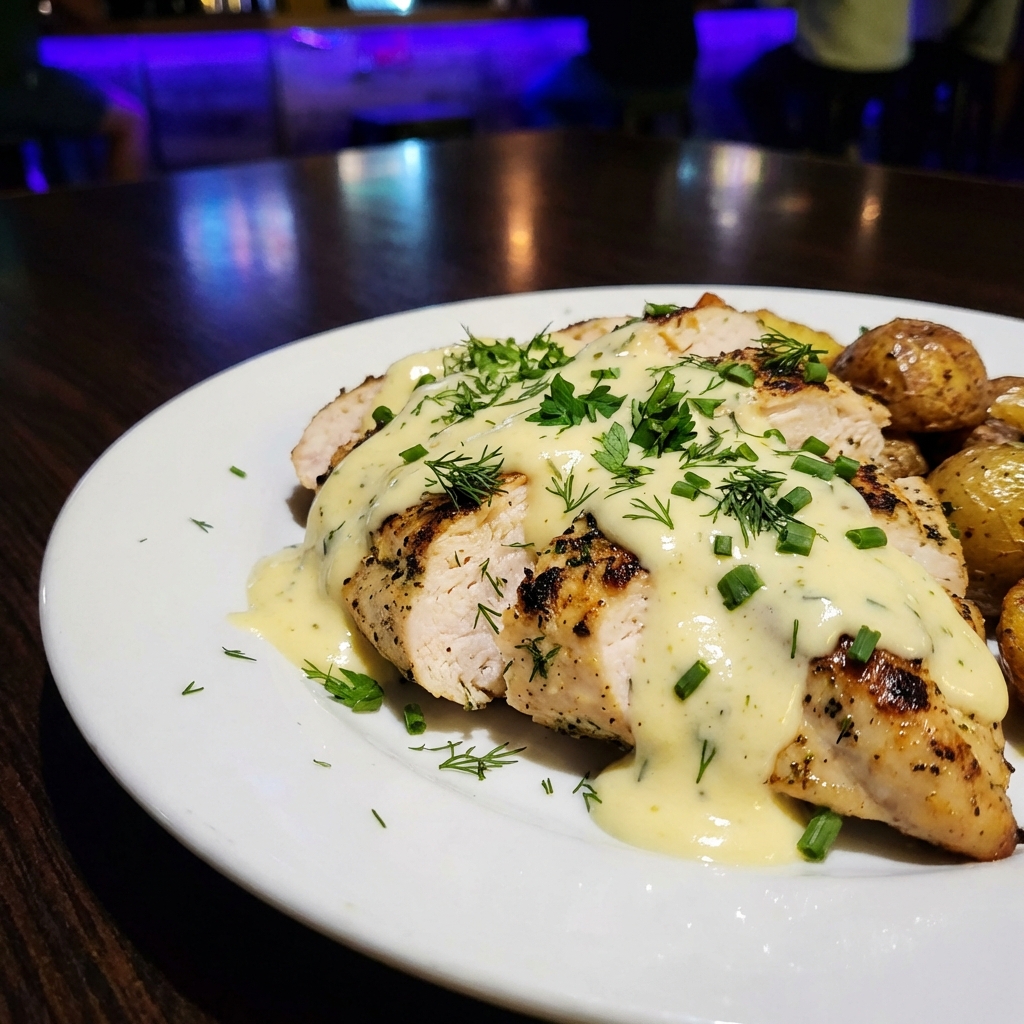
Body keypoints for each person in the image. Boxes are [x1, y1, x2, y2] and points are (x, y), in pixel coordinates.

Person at [737, 0, 913, 157]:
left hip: (831, 57)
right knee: (848, 111)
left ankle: (793, 160)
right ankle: (844, 146)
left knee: (751, 87)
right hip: (892, 57)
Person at [0, 0, 149, 182]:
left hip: (17, 84)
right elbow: (91, 14)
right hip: (14, 83)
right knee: (130, 120)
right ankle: (126, 207)